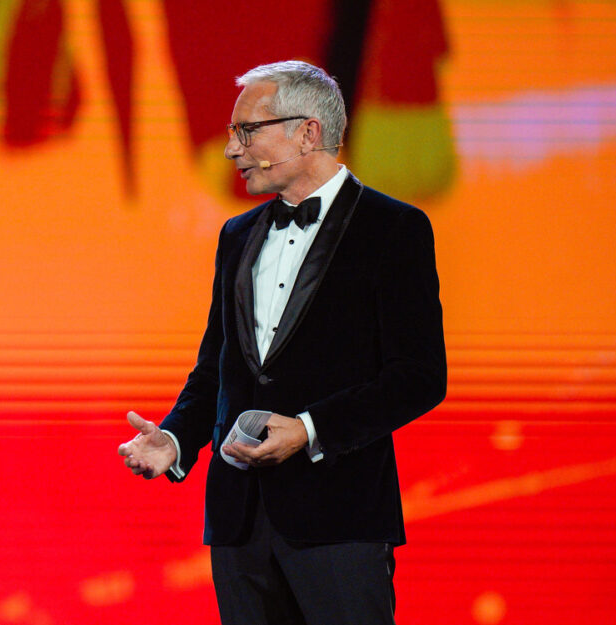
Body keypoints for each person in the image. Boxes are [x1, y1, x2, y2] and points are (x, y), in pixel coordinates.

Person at [118, 61, 446, 624]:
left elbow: (419, 377)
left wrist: (310, 429)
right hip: (239, 523)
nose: (231, 149)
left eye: (247, 130)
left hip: (339, 518)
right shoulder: (237, 235)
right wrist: (175, 438)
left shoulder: (394, 229)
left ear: (308, 132)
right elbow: (218, 367)